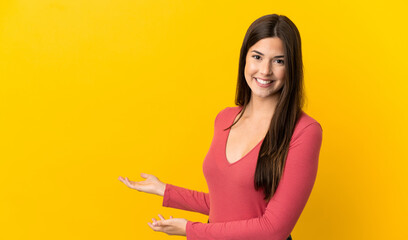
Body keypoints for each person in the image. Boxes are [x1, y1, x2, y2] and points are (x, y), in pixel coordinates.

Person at [119, 13, 323, 240]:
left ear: (292, 67)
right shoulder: (225, 119)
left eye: (279, 61)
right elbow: (227, 204)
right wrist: (165, 190)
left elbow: (274, 229)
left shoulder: (305, 131)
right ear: (244, 59)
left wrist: (191, 230)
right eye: (257, 57)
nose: (265, 70)